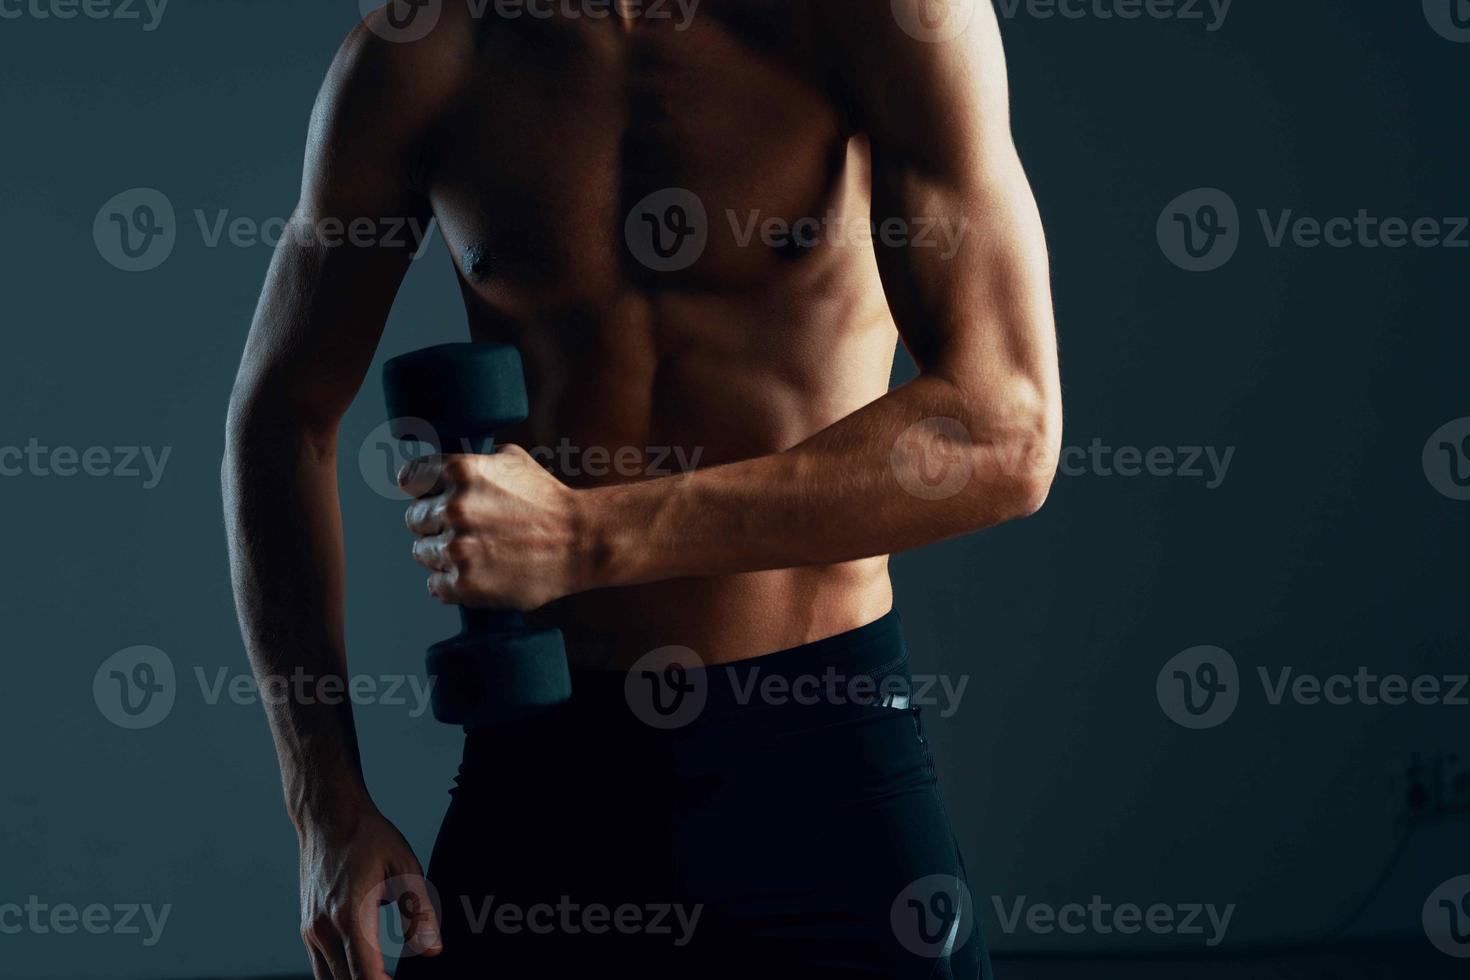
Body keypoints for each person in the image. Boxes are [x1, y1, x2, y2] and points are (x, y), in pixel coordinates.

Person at [222, 1, 1060, 977]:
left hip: (821, 755)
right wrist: (324, 801)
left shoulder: (887, 21)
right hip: (547, 770)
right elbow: (281, 421)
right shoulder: (424, 55)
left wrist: (592, 534)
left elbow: (1004, 433)